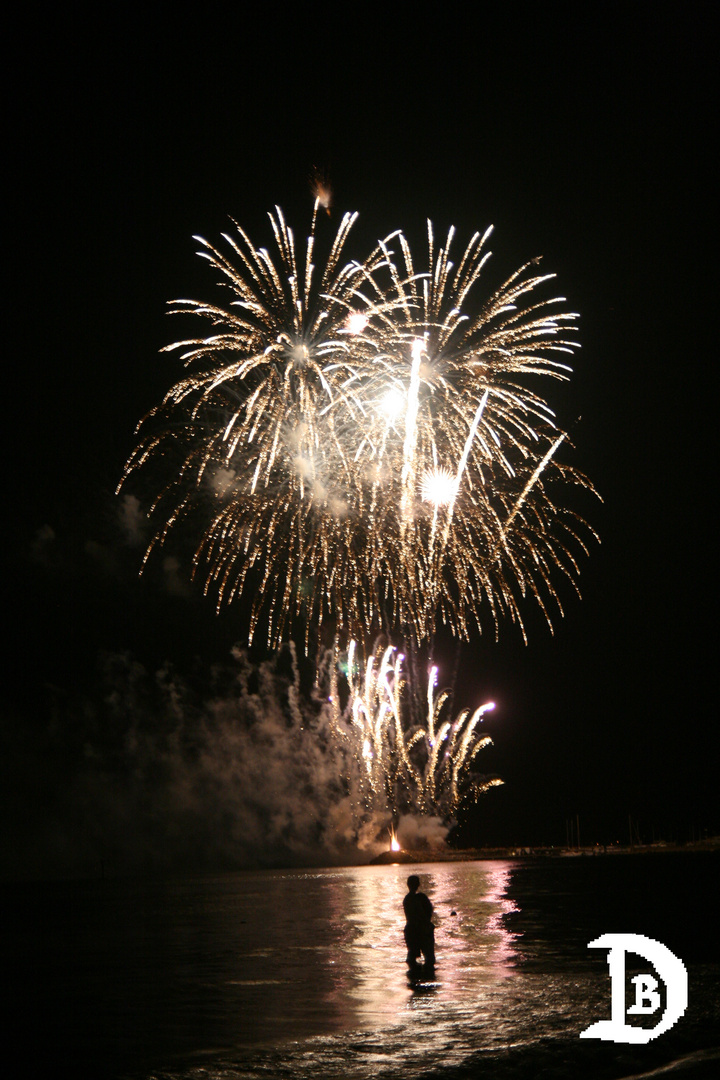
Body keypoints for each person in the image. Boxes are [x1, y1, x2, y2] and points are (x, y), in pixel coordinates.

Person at [403, 875, 435, 968]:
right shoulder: (421, 898)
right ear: (418, 885)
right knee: (429, 958)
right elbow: (427, 912)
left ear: (408, 884)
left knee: (412, 958)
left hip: (412, 930)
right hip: (422, 930)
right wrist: (427, 924)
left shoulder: (408, 899)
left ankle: (414, 977)